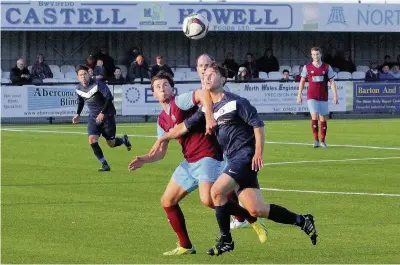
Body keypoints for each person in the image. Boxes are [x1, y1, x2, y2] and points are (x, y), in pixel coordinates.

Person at [150, 63, 318, 256]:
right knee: (256, 209)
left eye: (212, 74)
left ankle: (226, 240)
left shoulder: (236, 102)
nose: (207, 77)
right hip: (232, 159)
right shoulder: (206, 111)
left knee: (216, 192)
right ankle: (302, 220)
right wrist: (162, 138)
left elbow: (258, 124)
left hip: (245, 156)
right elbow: (183, 127)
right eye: (205, 75)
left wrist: (258, 153)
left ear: (223, 80)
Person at [128, 72, 265, 255]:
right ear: (153, 93)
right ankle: (186, 245)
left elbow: (203, 94)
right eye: (158, 87)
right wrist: (145, 159)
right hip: (189, 162)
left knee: (208, 200)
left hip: (209, 156)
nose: (162, 89)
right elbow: (161, 152)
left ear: (172, 88)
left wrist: (209, 116)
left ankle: (251, 218)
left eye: (166, 85)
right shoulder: (161, 119)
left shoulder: (181, 102)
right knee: (167, 201)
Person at [72, 66, 132, 171]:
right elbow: (81, 101)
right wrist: (77, 114)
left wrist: (102, 113)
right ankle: (104, 164)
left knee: (111, 143)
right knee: (92, 139)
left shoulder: (97, 83)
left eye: (85, 74)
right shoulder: (78, 88)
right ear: (78, 77)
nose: (83, 77)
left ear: (89, 74)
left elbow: (109, 97)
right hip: (93, 117)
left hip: (107, 115)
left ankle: (123, 140)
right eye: (81, 75)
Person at [297, 47, 338, 148]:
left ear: (321, 55)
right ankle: (316, 140)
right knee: (314, 115)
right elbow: (302, 81)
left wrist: (335, 96)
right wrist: (299, 94)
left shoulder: (327, 67)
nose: (316, 56)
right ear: (311, 55)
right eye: (314, 54)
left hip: (323, 96)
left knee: (323, 118)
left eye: (317, 54)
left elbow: (332, 81)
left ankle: (323, 141)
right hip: (312, 96)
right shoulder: (307, 67)